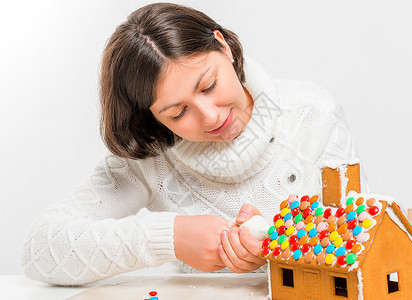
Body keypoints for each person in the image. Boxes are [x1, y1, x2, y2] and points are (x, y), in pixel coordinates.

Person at [21, 2, 359, 285]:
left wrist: (276, 246)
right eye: (179, 112)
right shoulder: (152, 157)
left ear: (223, 46)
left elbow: (360, 244)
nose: (210, 117)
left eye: (209, 86)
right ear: (152, 116)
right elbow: (41, 251)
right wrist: (170, 237)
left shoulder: (312, 115)